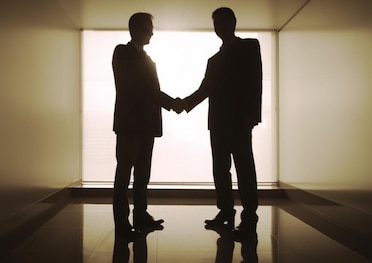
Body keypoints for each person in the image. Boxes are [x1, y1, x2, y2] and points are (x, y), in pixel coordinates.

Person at [182, 7, 262, 237]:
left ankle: (249, 217)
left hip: (240, 120)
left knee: (244, 169)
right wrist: (183, 104)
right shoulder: (213, 60)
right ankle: (226, 211)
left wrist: (253, 116)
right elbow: (205, 88)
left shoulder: (249, 46)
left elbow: (255, 82)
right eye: (216, 23)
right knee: (220, 169)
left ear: (234, 22)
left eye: (223, 22)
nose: (220, 27)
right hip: (217, 122)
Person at [112, 12, 182, 237]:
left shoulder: (147, 58)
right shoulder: (122, 52)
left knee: (142, 175)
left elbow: (148, 90)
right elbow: (142, 88)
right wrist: (173, 103)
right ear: (137, 29)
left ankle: (140, 216)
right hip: (130, 125)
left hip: (145, 126)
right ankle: (122, 224)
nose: (152, 32)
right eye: (149, 27)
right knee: (124, 175)